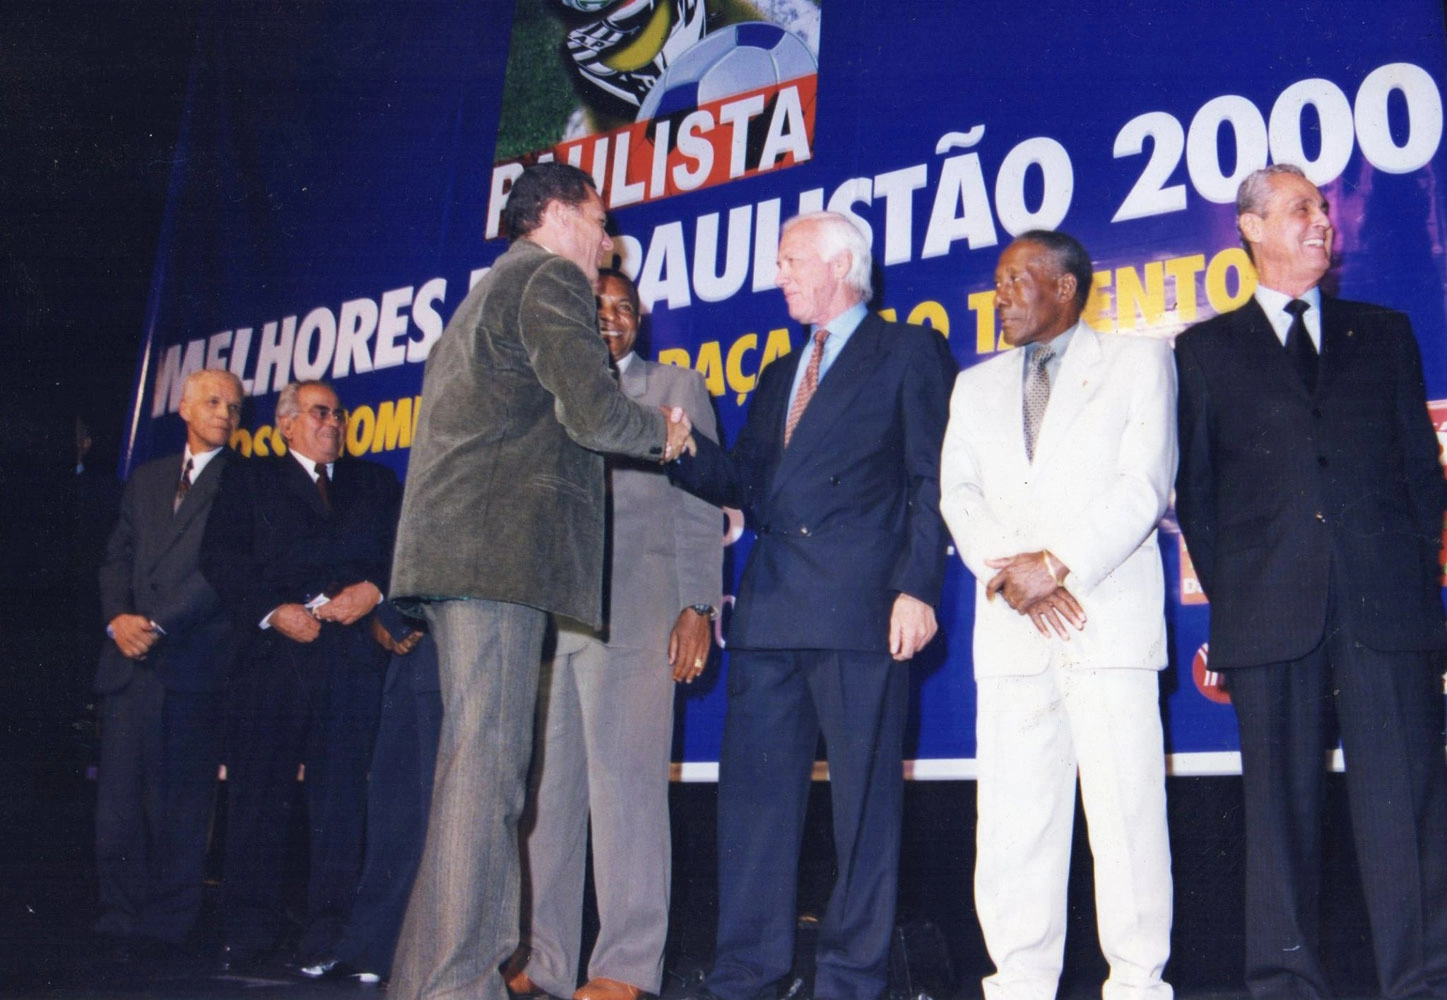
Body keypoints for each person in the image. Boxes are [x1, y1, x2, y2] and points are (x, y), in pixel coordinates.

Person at [386, 162, 692, 1000]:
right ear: (557, 214)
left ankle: (427, 983)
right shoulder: (551, 278)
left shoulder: (490, 291)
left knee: (472, 775)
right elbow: (593, 411)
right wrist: (660, 431)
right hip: (496, 559)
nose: (608, 240)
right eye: (601, 221)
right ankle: (457, 987)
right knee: (488, 778)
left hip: (467, 558)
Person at [1174, 163, 1447, 1000]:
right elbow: (1202, 499)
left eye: (1324, 209)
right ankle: (1285, 985)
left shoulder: (1385, 332)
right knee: (1277, 821)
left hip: (1384, 609)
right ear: (1251, 228)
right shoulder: (1203, 349)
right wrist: (1241, 601)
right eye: (1300, 209)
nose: (1322, 222)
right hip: (1268, 616)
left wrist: (1405, 580)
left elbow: (1419, 477)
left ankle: (1421, 982)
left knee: (1405, 816)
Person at [670, 210, 955, 1000]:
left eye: (792, 260)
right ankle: (744, 975)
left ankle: (849, 981)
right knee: (752, 810)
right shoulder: (776, 373)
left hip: (864, 612)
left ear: (843, 264)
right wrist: (686, 452)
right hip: (769, 615)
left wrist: (917, 587)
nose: (780, 275)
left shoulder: (908, 352)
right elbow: (752, 488)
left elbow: (931, 481)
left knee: (863, 816)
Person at [939, 232, 1176, 1000]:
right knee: (1013, 826)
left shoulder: (1138, 363)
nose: (999, 295)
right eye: (998, 282)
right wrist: (1017, 574)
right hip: (1013, 628)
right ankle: (1017, 984)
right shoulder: (972, 388)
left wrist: (1059, 564)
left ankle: (1138, 985)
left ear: (1064, 287)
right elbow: (958, 497)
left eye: (1015, 280)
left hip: (1102, 623)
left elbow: (1142, 486)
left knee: (1126, 820)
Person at [505, 268, 723, 1000]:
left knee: (628, 793)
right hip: (554, 619)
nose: (609, 318)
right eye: (595, 307)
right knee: (547, 798)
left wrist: (697, 603)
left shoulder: (674, 387)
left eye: (623, 308)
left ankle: (625, 966)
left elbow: (699, 503)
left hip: (636, 612)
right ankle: (545, 958)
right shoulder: (552, 392)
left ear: (640, 321)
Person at [201, 379, 401, 971]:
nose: (333, 423)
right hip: (272, 660)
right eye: (320, 413)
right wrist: (272, 610)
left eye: (339, 414)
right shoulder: (249, 479)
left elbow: (401, 550)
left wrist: (374, 591)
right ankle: (248, 932)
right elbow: (220, 557)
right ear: (287, 424)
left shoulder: (376, 483)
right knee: (259, 799)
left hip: (349, 664)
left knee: (340, 805)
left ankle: (328, 936)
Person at [93, 368, 242, 953]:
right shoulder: (147, 479)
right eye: (212, 401)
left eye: (233, 406)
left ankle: (167, 926)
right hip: (128, 666)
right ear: (183, 406)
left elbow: (221, 571)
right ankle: (117, 918)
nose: (224, 413)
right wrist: (118, 619)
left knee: (181, 809)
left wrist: (157, 623)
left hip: (190, 666)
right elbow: (115, 560)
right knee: (117, 810)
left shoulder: (242, 484)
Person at [302, 614, 433, 984]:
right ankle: (373, 949)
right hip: (413, 653)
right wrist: (388, 615)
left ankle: (417, 949)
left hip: (461, 644)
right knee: (395, 810)